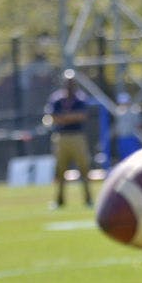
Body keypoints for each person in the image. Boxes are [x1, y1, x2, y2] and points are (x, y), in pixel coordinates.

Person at [45, 69, 93, 208]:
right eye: (67, 82)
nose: (69, 85)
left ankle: (88, 199)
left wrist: (63, 118)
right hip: (61, 137)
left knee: (84, 168)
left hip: (77, 137)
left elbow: (82, 116)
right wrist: (70, 117)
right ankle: (59, 200)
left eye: (71, 82)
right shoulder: (57, 99)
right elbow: (53, 117)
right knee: (60, 169)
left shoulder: (80, 98)